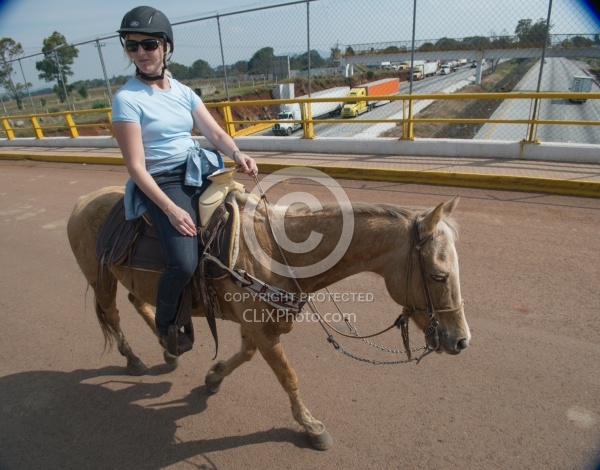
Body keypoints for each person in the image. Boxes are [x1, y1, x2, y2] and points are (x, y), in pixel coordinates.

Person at [111, 6, 258, 355]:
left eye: (149, 44)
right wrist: (171, 209)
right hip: (162, 180)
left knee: (249, 214)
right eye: (132, 47)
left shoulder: (183, 90)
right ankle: (166, 324)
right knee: (184, 260)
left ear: (166, 46)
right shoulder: (127, 99)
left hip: (199, 169)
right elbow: (135, 167)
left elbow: (214, 132)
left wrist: (237, 153)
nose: (141, 53)